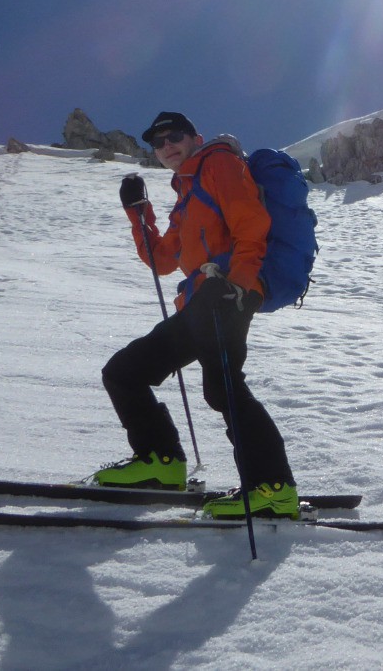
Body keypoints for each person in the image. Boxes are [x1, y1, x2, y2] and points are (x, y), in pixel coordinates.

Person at [92, 110, 299, 519]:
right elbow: (163, 260)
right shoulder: (186, 195)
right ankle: (160, 463)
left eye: (175, 137)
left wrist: (237, 284)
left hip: (229, 293)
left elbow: (251, 222)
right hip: (200, 301)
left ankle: (273, 488)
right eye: (158, 142)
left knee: (223, 387)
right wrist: (139, 214)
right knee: (125, 371)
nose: (166, 146)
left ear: (195, 138)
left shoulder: (218, 162)